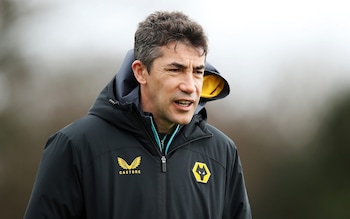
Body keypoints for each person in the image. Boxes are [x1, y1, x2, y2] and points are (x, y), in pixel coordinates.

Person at [24, 11, 252, 219]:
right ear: (141, 72)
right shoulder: (75, 145)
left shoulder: (223, 152)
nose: (190, 86)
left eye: (198, 72)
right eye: (175, 69)